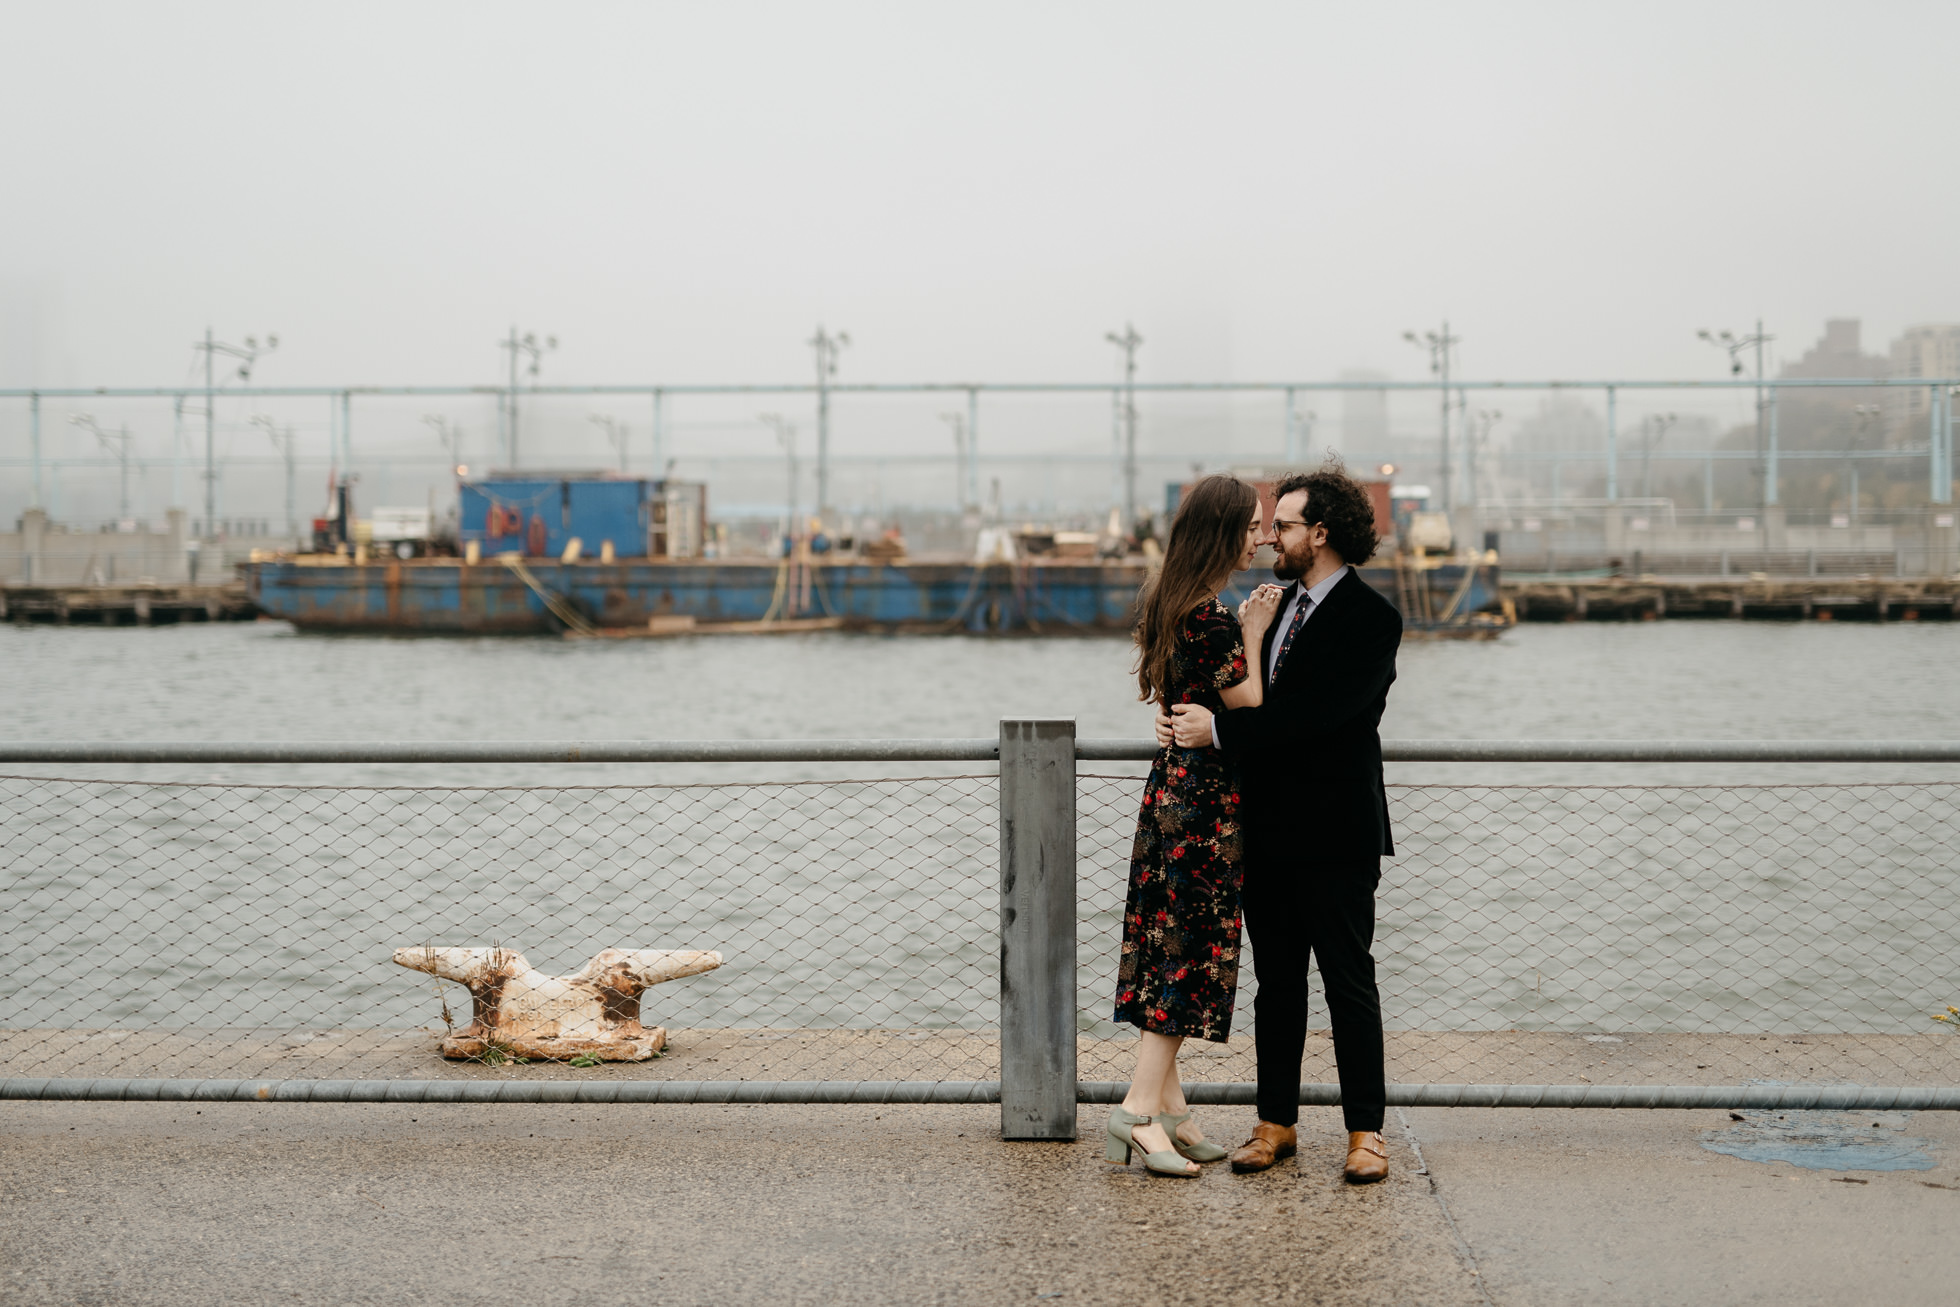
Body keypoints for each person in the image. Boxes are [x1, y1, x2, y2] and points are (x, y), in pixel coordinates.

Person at [1156, 462, 1402, 1184]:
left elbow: (1317, 720)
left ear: (1321, 533)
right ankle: (1275, 1122)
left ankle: (1366, 1130)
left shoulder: (1372, 619)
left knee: (1349, 981)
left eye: (1285, 525)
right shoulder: (1269, 608)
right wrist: (1187, 715)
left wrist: (1218, 735)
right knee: (1278, 984)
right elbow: (1241, 691)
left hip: (1337, 829)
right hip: (1264, 828)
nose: (1270, 539)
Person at [1107, 474, 1281, 1177]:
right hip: (1206, 801)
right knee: (1186, 953)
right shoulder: (1214, 619)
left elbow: (1181, 695)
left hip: (1170, 791)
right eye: (1250, 526)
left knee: (1164, 939)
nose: (1260, 536)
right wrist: (1255, 632)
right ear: (1222, 532)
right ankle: (1137, 1112)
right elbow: (1253, 707)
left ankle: (1172, 1110)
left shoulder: (1170, 602)